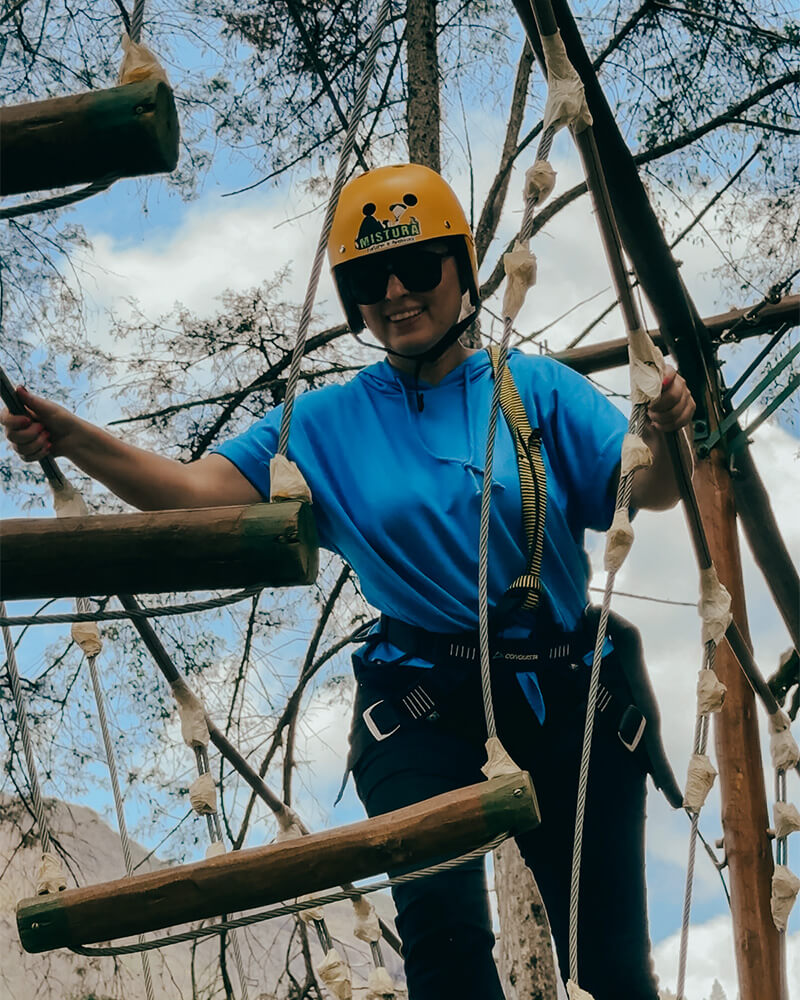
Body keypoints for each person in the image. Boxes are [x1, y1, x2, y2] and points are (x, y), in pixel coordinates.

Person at [2, 163, 694, 999]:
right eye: (369, 278)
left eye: (419, 267)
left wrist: (662, 427)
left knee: (612, 969)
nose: (397, 292)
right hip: (421, 694)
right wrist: (74, 438)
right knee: (443, 946)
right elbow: (187, 492)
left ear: (463, 270)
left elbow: (644, 488)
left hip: (560, 679)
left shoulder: (534, 389)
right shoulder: (325, 423)